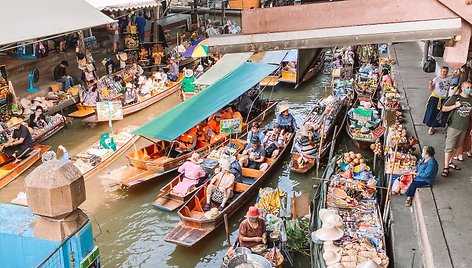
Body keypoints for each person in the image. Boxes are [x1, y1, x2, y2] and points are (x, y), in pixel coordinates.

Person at [441, 82, 472, 177]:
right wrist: (455, 106)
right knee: (449, 146)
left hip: (464, 127)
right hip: (453, 127)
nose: (469, 89)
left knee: (456, 146)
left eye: (470, 87)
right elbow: (444, 108)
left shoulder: (471, 99)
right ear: (462, 88)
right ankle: (446, 167)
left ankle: (450, 162)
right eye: (467, 87)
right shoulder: (455, 98)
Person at [423, 66, 450, 135]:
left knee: (439, 114)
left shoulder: (449, 78)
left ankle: (434, 126)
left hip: (443, 98)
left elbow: (456, 75)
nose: (445, 73)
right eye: (443, 71)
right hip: (435, 98)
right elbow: (431, 89)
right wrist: (430, 84)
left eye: (446, 72)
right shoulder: (436, 79)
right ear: (440, 71)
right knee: (432, 112)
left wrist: (460, 70)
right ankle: (431, 127)